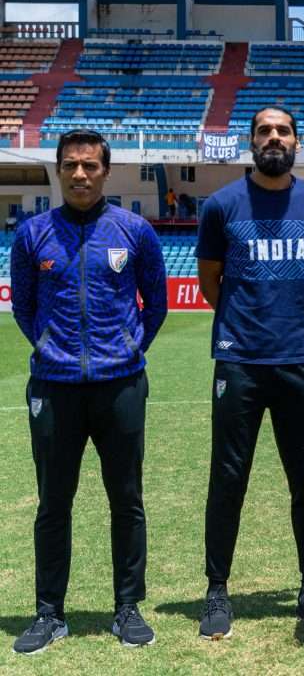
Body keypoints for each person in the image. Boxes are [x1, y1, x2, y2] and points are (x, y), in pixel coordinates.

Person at [10, 129, 168, 654]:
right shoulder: (33, 234)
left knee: (127, 499)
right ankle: (49, 612)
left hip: (120, 385)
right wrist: (50, 347)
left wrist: (127, 348)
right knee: (54, 503)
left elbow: (156, 304)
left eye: (90, 166)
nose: (80, 174)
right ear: (58, 170)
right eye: (70, 165)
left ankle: (128, 607)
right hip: (53, 388)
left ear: (105, 172)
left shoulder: (135, 230)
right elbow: (24, 308)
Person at [195, 106, 304, 639]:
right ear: (251, 142)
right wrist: (245, 325)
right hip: (239, 361)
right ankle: (217, 590)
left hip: (297, 358)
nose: (273, 137)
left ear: (297, 142)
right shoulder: (221, 205)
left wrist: (289, 322)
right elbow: (210, 281)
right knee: (228, 477)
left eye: (283, 131)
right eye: (264, 131)